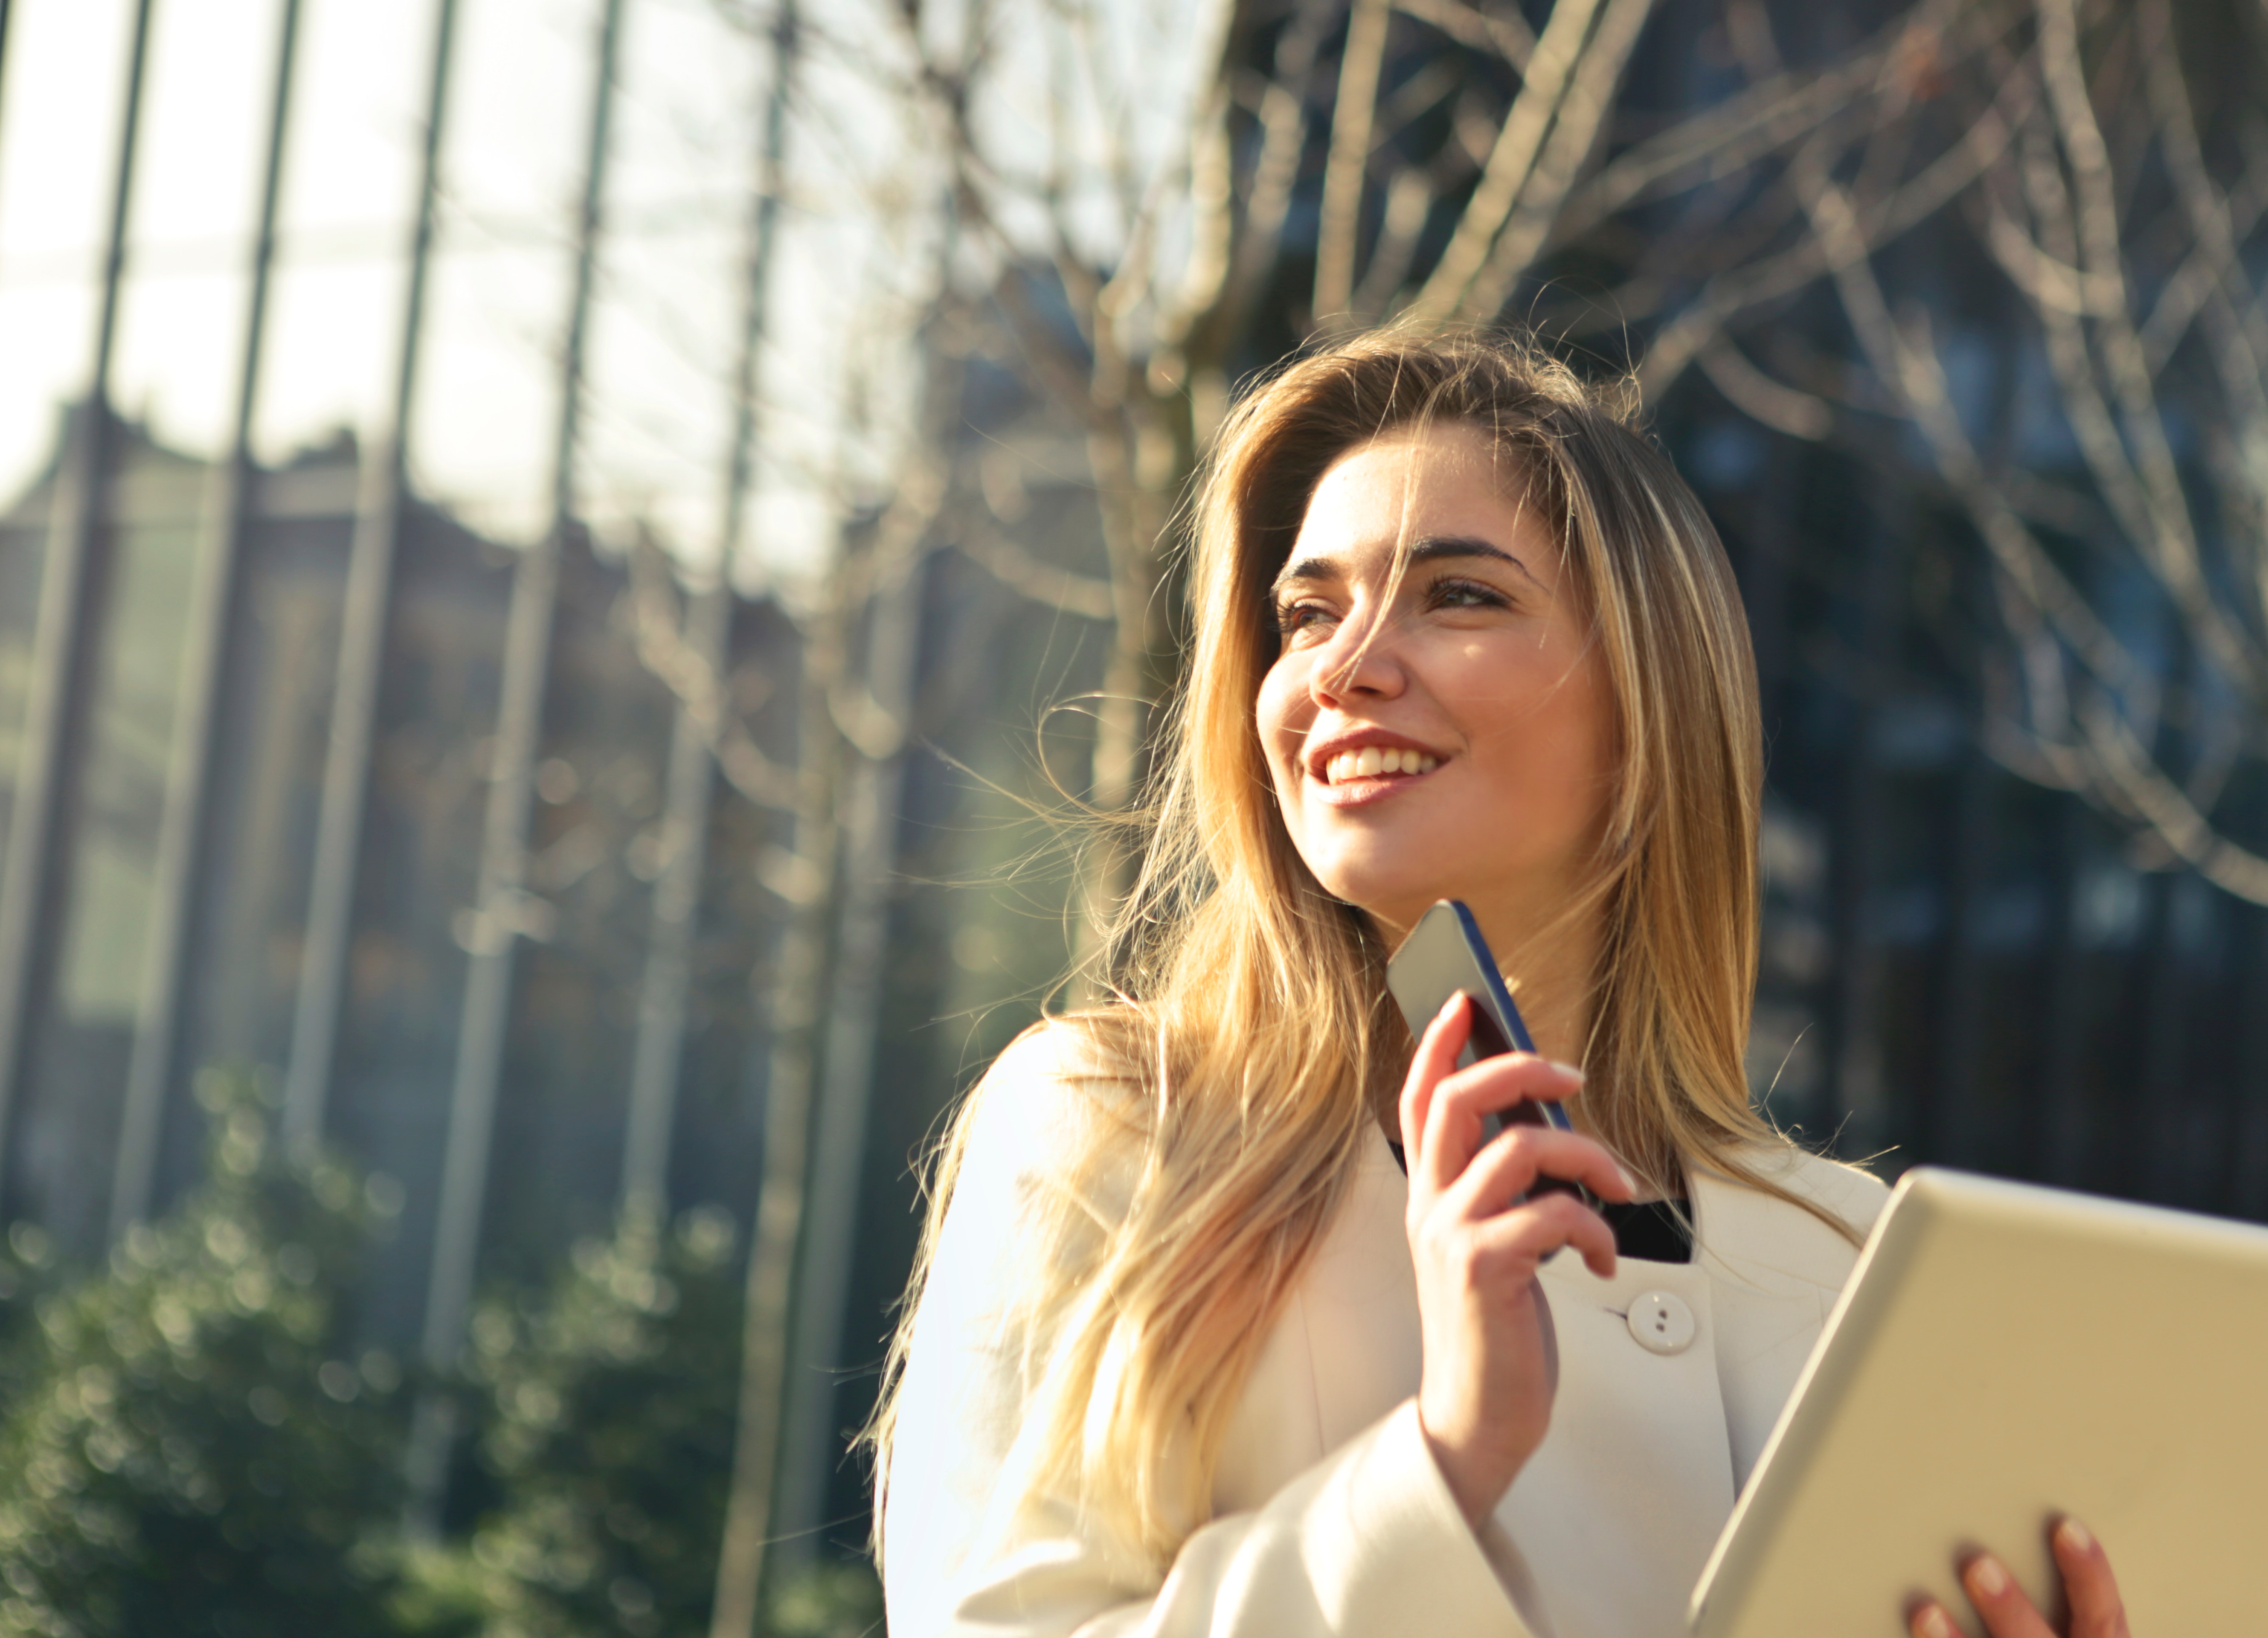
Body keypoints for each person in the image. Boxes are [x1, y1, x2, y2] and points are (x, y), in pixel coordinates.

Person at [867, 330, 2131, 1638]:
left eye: (1458, 596)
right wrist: (1444, 1460)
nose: (1343, 666)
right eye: (1307, 613)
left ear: (1651, 703)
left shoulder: (1846, 1253)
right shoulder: (1117, 1125)